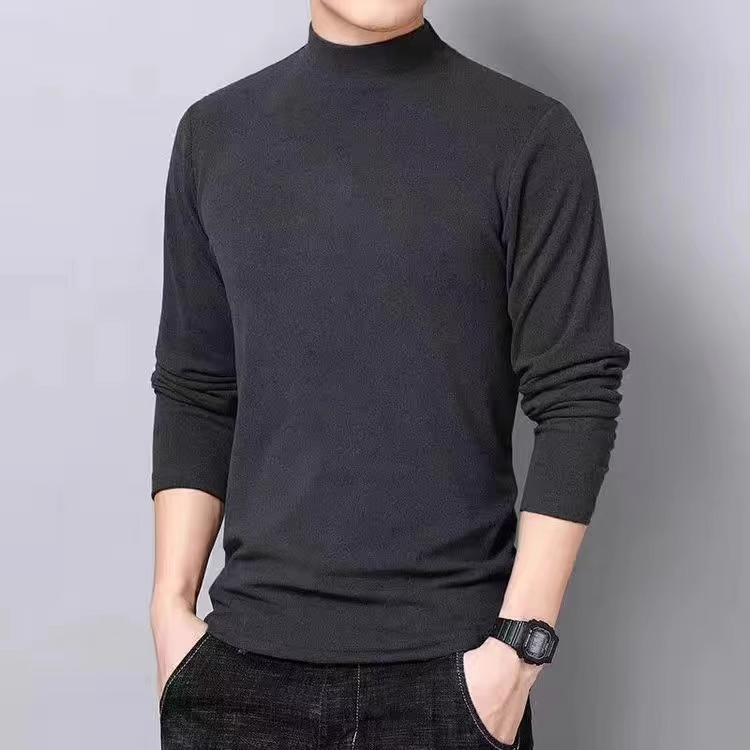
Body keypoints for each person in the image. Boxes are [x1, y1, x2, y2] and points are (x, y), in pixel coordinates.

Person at [149, 1, 631, 748]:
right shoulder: (215, 135)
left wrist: (517, 654)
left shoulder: (527, 135)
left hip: (455, 680)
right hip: (240, 678)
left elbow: (577, 394)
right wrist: (170, 612)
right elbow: (197, 388)